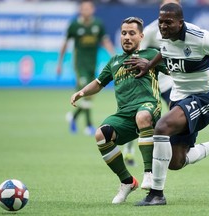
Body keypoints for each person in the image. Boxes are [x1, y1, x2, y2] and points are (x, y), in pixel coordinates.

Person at [124, 3, 209, 206]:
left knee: (162, 127)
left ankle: (156, 194)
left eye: (168, 22)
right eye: (161, 22)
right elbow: (165, 52)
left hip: (204, 97)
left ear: (180, 22)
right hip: (179, 98)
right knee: (175, 161)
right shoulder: (164, 35)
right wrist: (149, 65)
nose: (163, 26)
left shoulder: (201, 37)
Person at [70, 16, 169, 204]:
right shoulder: (114, 61)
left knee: (142, 116)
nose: (127, 37)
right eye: (124, 33)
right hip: (125, 114)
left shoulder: (150, 54)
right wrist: (82, 92)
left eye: (132, 33)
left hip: (149, 107)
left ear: (141, 36)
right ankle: (127, 182)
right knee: (101, 135)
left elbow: (172, 70)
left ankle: (149, 173)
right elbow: (99, 83)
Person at [122, 0, 179, 167]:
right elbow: (136, 53)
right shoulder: (152, 31)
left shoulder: (185, 30)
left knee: (176, 115)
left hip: (170, 82)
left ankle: (173, 150)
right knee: (141, 117)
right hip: (151, 82)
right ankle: (129, 149)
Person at [57, 0, 115, 135]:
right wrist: (59, 63)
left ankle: (74, 117)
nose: (86, 11)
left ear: (93, 10)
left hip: (92, 64)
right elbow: (65, 44)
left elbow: (105, 41)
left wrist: (113, 56)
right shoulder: (74, 25)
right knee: (85, 93)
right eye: (84, 9)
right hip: (79, 65)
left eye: (88, 8)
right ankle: (89, 125)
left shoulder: (98, 25)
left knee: (90, 94)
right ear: (80, 10)